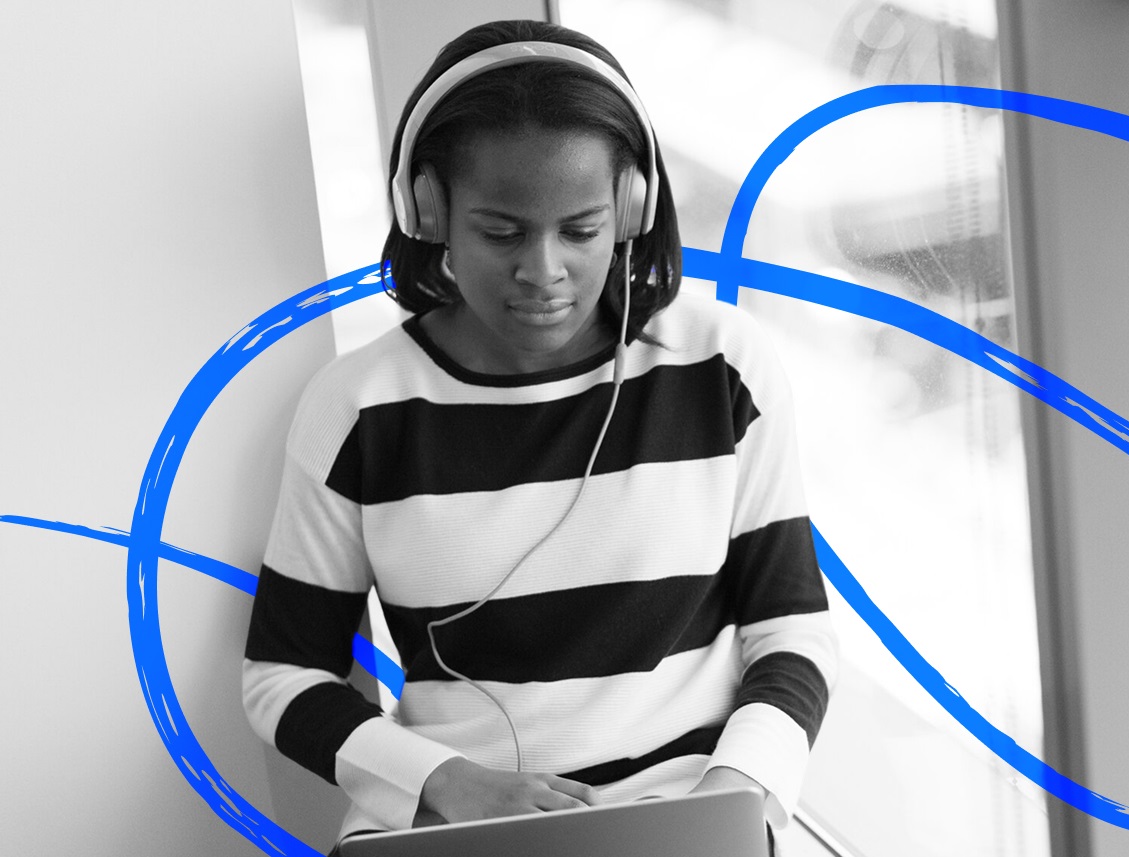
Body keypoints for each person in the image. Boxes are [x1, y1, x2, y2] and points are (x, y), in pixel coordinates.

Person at [241, 18, 837, 855]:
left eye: (581, 230)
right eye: (502, 232)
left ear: (632, 208)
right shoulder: (359, 407)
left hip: (693, 807)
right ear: (429, 209)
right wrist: (448, 785)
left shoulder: (721, 365)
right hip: (458, 823)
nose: (544, 272)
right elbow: (282, 675)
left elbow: (793, 632)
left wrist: (734, 796)